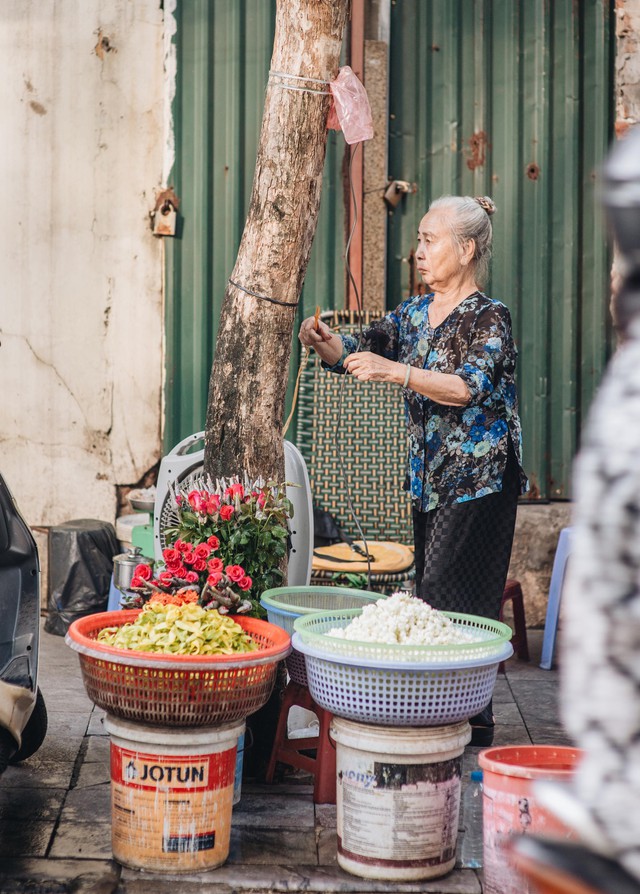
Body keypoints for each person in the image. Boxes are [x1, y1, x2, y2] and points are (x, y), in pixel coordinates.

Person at [299, 194, 529, 746]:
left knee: (448, 595)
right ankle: (466, 717)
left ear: (467, 249)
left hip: (480, 482)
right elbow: (360, 351)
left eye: (430, 240)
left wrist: (396, 372)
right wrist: (327, 345)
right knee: (441, 598)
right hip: (430, 481)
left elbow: (463, 387)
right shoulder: (411, 314)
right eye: (420, 240)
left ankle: (454, 719)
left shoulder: (489, 318)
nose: (419, 251)